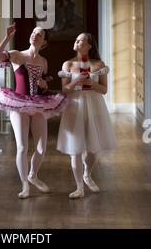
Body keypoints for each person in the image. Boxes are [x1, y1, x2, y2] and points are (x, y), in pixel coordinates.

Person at [0, 23, 67, 199]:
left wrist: (44, 84)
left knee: (41, 148)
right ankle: (24, 185)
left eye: (39, 34)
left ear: (44, 42)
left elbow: (45, 87)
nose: (34, 35)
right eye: (33, 32)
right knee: (22, 147)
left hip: (38, 104)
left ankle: (33, 175)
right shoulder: (17, 55)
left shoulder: (43, 62)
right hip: (18, 103)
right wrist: (7, 38)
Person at [57, 32, 117, 199]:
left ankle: (87, 174)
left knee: (92, 148)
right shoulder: (68, 64)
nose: (77, 41)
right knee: (74, 148)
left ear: (89, 46)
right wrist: (76, 81)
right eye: (76, 39)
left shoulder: (99, 65)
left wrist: (91, 82)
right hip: (74, 106)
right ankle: (79, 187)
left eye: (81, 40)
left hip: (94, 106)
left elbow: (104, 90)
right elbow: (64, 90)